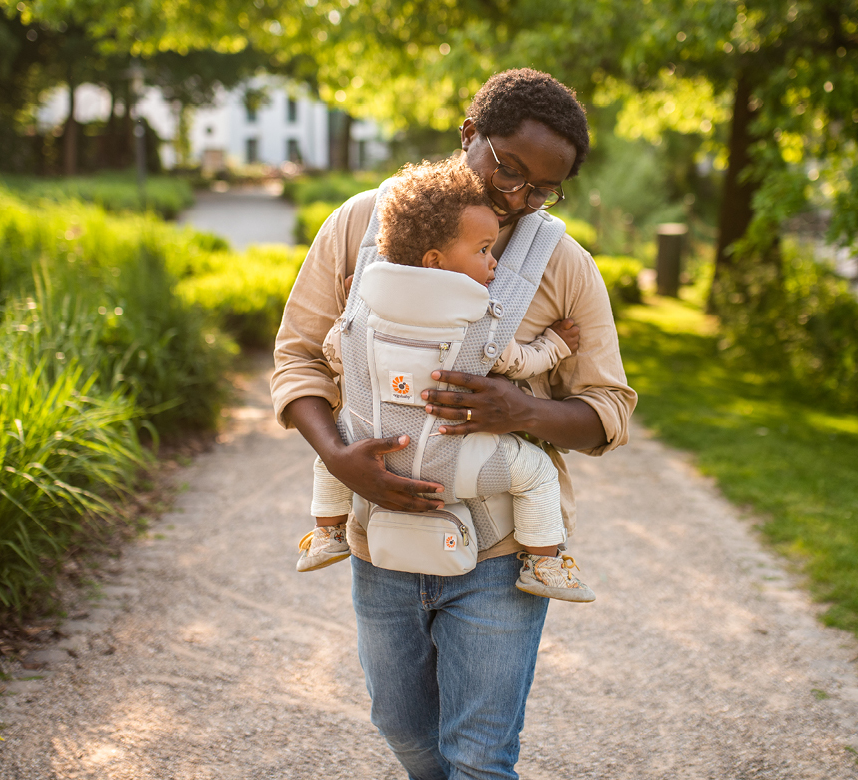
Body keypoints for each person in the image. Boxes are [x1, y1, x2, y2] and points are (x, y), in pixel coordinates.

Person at [272, 68, 637, 780]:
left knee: (478, 757)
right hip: (381, 542)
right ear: (469, 134)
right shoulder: (360, 224)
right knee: (404, 731)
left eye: (541, 189)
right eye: (508, 170)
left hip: (500, 557)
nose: (517, 199)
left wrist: (521, 409)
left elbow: (609, 411)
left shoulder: (563, 264)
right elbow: (297, 358)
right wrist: (338, 457)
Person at [296, 156, 595, 602]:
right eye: (483, 251)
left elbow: (333, 353)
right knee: (535, 473)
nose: (493, 264)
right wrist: (555, 345)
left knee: (331, 449)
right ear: (435, 261)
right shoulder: (481, 319)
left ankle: (327, 530)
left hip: (373, 456)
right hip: (450, 466)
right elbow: (519, 363)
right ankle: (545, 563)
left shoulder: (362, 306)